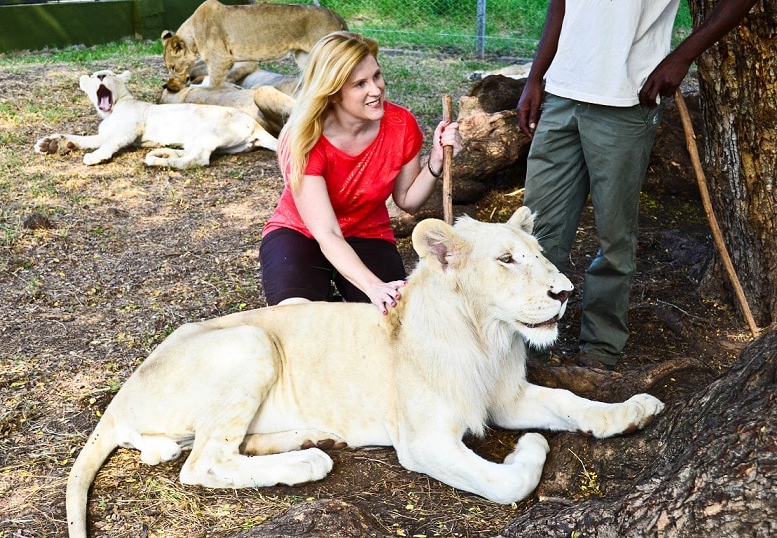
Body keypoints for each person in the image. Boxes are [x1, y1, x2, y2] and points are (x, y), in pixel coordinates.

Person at [517, 0, 757, 369]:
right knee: (537, 233)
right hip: (562, 92)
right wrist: (536, 78)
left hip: (627, 98)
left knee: (614, 238)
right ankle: (529, 340)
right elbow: (560, 5)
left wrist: (682, 56)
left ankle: (599, 349)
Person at [260, 31, 462, 315]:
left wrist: (437, 159)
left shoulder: (401, 124)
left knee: (396, 318)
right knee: (295, 317)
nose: (376, 90)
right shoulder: (304, 139)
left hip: (367, 233)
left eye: (376, 76)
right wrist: (373, 286)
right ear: (332, 93)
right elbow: (327, 232)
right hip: (301, 233)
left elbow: (408, 200)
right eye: (360, 84)